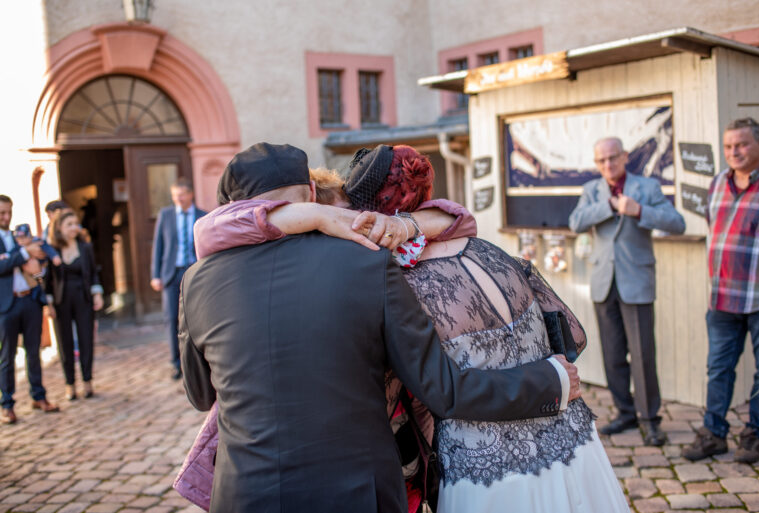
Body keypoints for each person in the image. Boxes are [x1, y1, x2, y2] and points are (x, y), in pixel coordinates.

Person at [182, 144, 627, 513]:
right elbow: (441, 387)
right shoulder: (365, 263)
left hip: (245, 494)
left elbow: (201, 394)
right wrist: (550, 380)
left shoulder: (197, 280)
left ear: (233, 210)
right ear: (313, 192)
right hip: (359, 492)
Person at [569, 136, 686, 446]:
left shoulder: (647, 187)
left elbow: (677, 223)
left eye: (613, 157)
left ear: (624, 156)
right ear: (597, 163)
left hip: (637, 281)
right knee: (612, 354)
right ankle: (625, 412)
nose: (608, 164)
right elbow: (575, 222)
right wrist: (608, 205)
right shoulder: (592, 191)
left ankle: (649, 419)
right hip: (604, 282)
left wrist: (639, 210)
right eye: (601, 160)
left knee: (643, 354)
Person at [682, 117, 759, 464]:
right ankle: (713, 434)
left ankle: (754, 435)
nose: (734, 152)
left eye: (742, 144)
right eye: (729, 146)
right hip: (722, 298)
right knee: (718, 369)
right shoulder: (718, 182)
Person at [0, 195, 59, 424]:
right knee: (7, 356)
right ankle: (7, 404)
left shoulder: (21, 236)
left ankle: (38, 396)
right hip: (6, 305)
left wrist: (37, 269)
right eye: (2, 213)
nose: (6, 217)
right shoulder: (23, 246)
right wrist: (24, 254)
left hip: (30, 301)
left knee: (34, 351)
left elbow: (40, 260)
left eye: (8, 212)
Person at [150, 178, 206, 380]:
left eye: (181, 195)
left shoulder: (203, 216)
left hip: (195, 274)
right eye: (175, 196)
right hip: (171, 274)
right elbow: (158, 246)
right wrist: (155, 275)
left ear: (190, 194)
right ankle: (176, 363)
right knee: (171, 318)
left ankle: (199, 362)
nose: (178, 199)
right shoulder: (165, 215)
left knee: (197, 318)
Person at [44, 210, 104, 400]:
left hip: (83, 297)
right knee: (65, 342)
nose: (74, 228)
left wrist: (97, 293)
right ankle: (69, 383)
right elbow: (47, 280)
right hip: (61, 300)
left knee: (86, 339)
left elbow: (93, 273)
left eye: (75, 224)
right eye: (69, 224)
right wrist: (48, 303)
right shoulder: (52, 250)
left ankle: (87, 380)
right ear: (59, 228)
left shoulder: (85, 247)